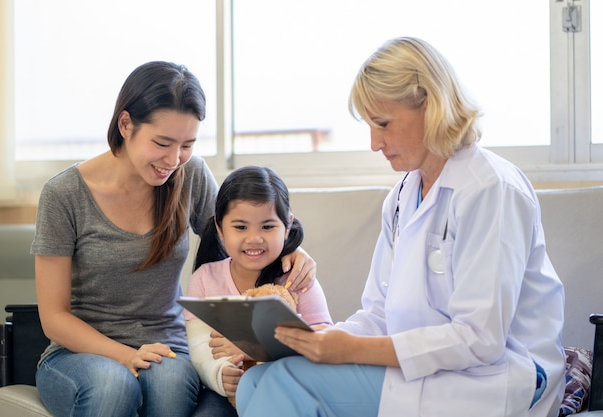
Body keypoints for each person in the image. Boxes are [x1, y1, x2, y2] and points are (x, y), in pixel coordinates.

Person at [235, 37, 566, 417]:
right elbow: (378, 314)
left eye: (383, 123)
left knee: (284, 382)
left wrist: (350, 350)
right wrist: (320, 339)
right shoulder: (401, 198)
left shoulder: (490, 189)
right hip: (426, 372)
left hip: (498, 378)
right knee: (256, 381)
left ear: (430, 104)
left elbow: (482, 339)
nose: (375, 143)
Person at [31, 61, 316, 417]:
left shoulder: (189, 173)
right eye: (162, 143)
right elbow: (54, 317)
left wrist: (292, 247)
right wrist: (125, 355)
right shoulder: (64, 194)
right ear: (125, 124)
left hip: (168, 345)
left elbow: (241, 228)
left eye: (187, 144)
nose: (173, 159)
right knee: (113, 385)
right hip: (80, 354)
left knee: (169, 386)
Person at [185, 165, 333, 417]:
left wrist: (257, 347)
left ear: (287, 226)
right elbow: (198, 346)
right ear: (220, 229)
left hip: (287, 386)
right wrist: (219, 375)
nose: (254, 238)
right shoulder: (204, 278)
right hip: (224, 391)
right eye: (241, 227)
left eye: (267, 227)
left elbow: (326, 338)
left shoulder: (297, 279)